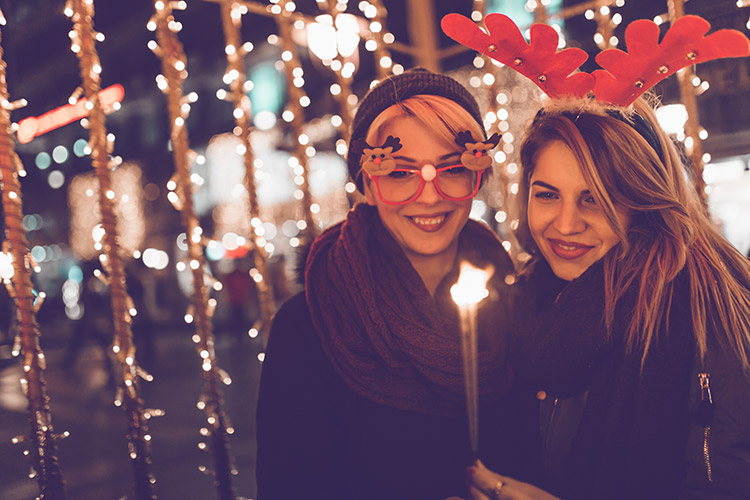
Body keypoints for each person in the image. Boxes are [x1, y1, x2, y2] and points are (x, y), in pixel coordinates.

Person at [256, 68, 532, 500]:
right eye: (400, 173)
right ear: (367, 182)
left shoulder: (516, 300)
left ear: (477, 175)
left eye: (453, 168)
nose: (429, 195)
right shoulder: (310, 323)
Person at [465, 95, 750, 499]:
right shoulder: (526, 296)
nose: (566, 224)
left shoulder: (708, 308)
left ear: (643, 202)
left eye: (595, 199)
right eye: (547, 195)